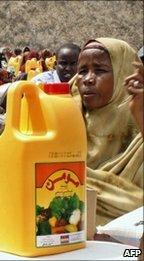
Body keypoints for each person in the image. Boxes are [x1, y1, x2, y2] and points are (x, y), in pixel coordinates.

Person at [71, 38, 143, 225]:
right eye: (82, 71)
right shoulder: (67, 114)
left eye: (100, 70)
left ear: (124, 74)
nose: (88, 79)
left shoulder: (137, 117)